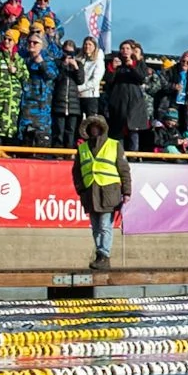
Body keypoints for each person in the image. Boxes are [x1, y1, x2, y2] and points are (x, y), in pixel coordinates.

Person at [74, 112, 125, 267]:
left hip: (109, 192)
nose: (94, 129)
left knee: (105, 226)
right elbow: (76, 171)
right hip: (90, 192)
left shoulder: (114, 145)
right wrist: (80, 189)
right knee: (96, 227)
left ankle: (104, 254)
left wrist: (127, 191)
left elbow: (124, 169)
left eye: (97, 126)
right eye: (92, 126)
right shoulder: (82, 148)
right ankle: (100, 255)